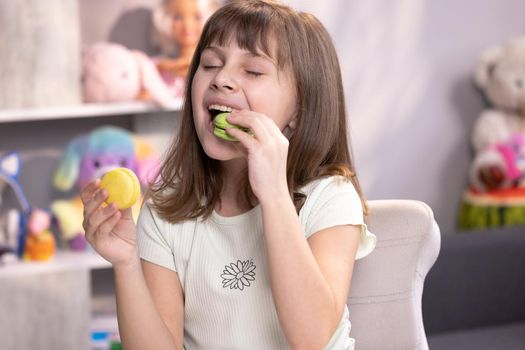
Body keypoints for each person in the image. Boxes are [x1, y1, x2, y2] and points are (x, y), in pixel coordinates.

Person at [81, 0, 377, 349]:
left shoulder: (331, 197)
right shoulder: (166, 211)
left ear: (299, 110)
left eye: (252, 71)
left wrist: (275, 194)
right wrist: (126, 263)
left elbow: (312, 339)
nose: (221, 79)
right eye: (209, 64)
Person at [152, 0, 220, 96]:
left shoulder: (213, 66)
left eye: (197, 17)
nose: (187, 25)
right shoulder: (160, 68)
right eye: (178, 17)